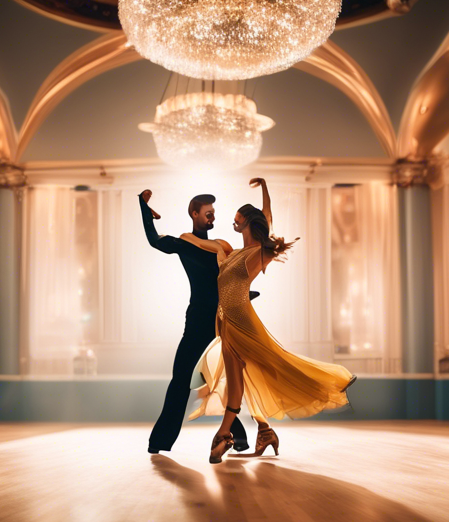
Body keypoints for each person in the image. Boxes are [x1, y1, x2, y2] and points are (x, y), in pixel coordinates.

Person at [179, 178, 356, 463]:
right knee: (244, 378)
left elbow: (267, 217)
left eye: (238, 221)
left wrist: (265, 189)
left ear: (249, 222)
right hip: (225, 322)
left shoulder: (261, 252)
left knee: (268, 369)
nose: (233, 224)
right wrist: (179, 240)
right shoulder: (231, 253)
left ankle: (226, 434)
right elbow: (197, 241)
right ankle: (264, 431)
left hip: (243, 322)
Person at [139, 190, 254, 454]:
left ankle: (238, 437)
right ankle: (159, 442)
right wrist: (144, 209)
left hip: (223, 320)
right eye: (208, 213)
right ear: (195, 214)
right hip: (197, 322)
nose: (213, 217)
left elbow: (236, 275)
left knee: (223, 377)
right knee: (181, 378)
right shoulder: (185, 244)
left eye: (214, 213)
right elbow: (155, 240)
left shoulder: (220, 246)